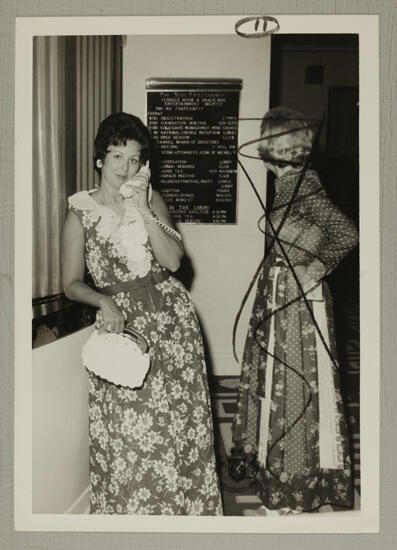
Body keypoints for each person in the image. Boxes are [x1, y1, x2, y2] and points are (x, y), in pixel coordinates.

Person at [62, 112, 223, 516]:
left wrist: (145, 209)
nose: (126, 168)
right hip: (123, 328)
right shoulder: (80, 211)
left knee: (178, 422)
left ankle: (186, 513)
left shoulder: (151, 201)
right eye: (117, 157)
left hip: (172, 321)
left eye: (135, 159)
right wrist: (103, 301)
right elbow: (70, 284)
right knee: (129, 428)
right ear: (100, 159)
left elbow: (172, 262)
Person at [232, 107, 358, 514]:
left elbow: (345, 232)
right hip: (282, 296)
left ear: (272, 147)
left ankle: (295, 486)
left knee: (295, 384)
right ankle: (283, 475)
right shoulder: (290, 184)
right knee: (280, 382)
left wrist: (314, 268)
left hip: (298, 305)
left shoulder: (302, 183)